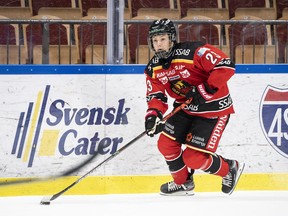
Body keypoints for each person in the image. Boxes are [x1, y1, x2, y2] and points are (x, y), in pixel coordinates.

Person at [144, 18, 245, 196]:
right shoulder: (154, 68)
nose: (158, 44)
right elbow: (156, 95)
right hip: (186, 108)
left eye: (162, 39)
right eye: (155, 40)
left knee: (193, 158)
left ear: (172, 39)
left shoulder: (193, 52)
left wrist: (205, 89)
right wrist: (152, 116)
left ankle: (228, 168)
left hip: (214, 109)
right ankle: (183, 183)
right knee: (166, 144)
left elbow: (226, 65)